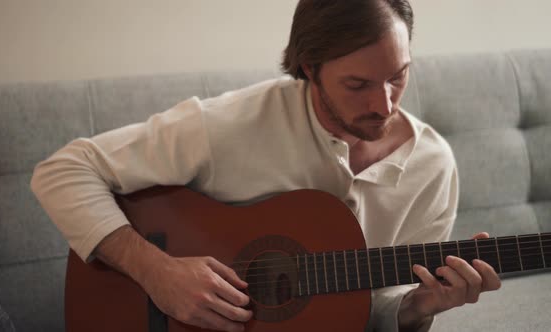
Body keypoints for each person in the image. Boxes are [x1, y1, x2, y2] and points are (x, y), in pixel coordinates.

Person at [30, 0, 502, 331]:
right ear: (309, 69)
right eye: (358, 84)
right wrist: (157, 273)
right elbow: (64, 171)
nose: (384, 104)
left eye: (398, 76)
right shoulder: (228, 125)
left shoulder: (433, 166)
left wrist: (419, 307)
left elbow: (375, 310)